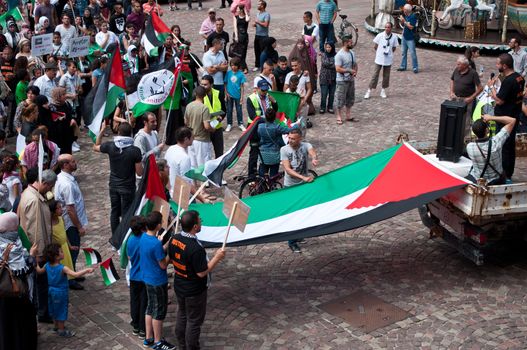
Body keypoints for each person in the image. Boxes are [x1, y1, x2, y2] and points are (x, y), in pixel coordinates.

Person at [168, 210, 225, 350]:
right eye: (200, 221)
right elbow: (201, 273)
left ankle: (182, 345)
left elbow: (171, 259)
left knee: (182, 314)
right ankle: (192, 347)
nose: (201, 223)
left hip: (180, 286)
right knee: (194, 321)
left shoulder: (174, 238)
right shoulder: (195, 248)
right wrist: (217, 258)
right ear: (194, 227)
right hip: (194, 291)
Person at [18, 168, 57, 323]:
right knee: (41, 283)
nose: (50, 189)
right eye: (50, 186)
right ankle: (42, 312)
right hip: (38, 250)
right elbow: (36, 230)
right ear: (45, 183)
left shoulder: (30, 194)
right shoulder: (34, 200)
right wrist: (40, 253)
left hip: (35, 249)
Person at [93, 122, 143, 237]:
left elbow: (95, 146)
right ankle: (124, 236)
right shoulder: (134, 150)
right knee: (127, 213)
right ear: (130, 134)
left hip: (114, 185)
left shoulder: (110, 146)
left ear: (119, 132)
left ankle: (115, 236)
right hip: (128, 187)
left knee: (115, 211)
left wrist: (101, 131)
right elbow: (139, 172)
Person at [36, 243, 95, 338]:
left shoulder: (47, 265)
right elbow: (75, 275)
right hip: (61, 292)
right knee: (61, 310)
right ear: (56, 256)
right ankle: (61, 330)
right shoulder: (62, 268)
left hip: (51, 291)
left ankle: (56, 326)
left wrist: (35, 261)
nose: (63, 253)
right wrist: (87, 270)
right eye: (61, 251)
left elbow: (39, 271)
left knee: (54, 309)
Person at [0, 212, 38, 350]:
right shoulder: (13, 247)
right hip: (14, 295)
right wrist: (32, 257)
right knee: (17, 330)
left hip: (3, 297)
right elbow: (21, 271)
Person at [139, 211, 175, 350]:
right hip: (158, 281)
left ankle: (149, 338)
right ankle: (158, 342)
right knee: (158, 311)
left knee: (150, 308)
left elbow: (155, 251)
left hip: (147, 278)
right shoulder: (155, 244)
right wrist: (169, 255)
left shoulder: (143, 237)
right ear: (159, 225)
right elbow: (163, 264)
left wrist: (164, 245)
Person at [487, 53, 525, 182]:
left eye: (498, 64)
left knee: (502, 146)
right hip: (514, 115)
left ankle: (504, 173)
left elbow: (499, 100)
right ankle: (509, 171)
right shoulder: (520, 77)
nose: (497, 66)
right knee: (510, 145)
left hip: (505, 118)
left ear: (504, 65)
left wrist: (491, 86)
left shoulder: (508, 81)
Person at [54, 154, 88, 290]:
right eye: (73, 161)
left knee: (73, 249)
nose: (75, 163)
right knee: (72, 250)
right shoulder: (66, 184)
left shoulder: (64, 178)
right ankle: (70, 278)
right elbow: (70, 208)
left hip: (71, 221)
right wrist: (79, 226)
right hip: (71, 223)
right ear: (65, 165)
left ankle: (73, 272)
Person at [280, 129, 318, 252]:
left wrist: (314, 158)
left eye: (293, 138)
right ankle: (292, 242)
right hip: (290, 186)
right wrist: (303, 177)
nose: (290, 140)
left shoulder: (305, 145)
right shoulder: (284, 150)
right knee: (293, 215)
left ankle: (299, 235)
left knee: (303, 212)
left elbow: (311, 151)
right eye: (289, 138)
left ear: (300, 139)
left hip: (303, 186)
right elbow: (288, 169)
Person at [164, 127, 210, 202]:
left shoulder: (170, 149)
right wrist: (202, 199)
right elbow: (187, 183)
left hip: (172, 192)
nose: (194, 139)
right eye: (192, 137)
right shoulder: (184, 158)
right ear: (186, 139)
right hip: (183, 196)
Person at [467, 116, 516, 184]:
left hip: (477, 179)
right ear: (487, 130)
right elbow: (512, 120)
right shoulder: (496, 142)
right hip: (495, 180)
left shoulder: (469, 147)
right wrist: (491, 118)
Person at [246, 79, 277, 176]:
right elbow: (253, 116)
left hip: (265, 129)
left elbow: (274, 111)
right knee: (254, 153)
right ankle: (251, 175)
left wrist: (274, 102)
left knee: (266, 151)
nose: (265, 92)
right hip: (254, 130)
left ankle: (262, 173)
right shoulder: (251, 99)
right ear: (257, 89)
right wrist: (268, 120)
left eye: (266, 90)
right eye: (263, 90)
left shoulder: (268, 98)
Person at [258, 108, 296, 177]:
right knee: (273, 177)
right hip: (274, 155)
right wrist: (297, 124)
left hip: (263, 155)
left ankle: (262, 187)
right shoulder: (276, 127)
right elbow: (289, 130)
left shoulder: (260, 127)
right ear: (275, 117)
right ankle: (272, 186)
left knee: (262, 177)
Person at [365, 22, 399, 100]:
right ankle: (369, 90)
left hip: (388, 58)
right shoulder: (380, 35)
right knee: (375, 74)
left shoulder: (394, 37)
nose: (387, 29)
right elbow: (375, 46)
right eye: (386, 27)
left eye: (388, 27)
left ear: (391, 28)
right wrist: (380, 52)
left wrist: (389, 52)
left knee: (386, 75)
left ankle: (383, 90)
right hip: (379, 58)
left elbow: (394, 48)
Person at [450, 55, 483, 134]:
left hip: (466, 100)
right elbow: (452, 80)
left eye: (459, 64)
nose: (457, 65)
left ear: (465, 65)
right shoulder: (456, 70)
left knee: (466, 121)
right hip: (455, 98)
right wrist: (451, 92)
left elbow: (480, 88)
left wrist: (471, 98)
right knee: (453, 118)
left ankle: (465, 139)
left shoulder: (473, 73)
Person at [48, 200, 77, 289]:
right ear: (53, 211)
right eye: (59, 208)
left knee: (69, 264)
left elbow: (64, 233)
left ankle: (71, 280)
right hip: (58, 250)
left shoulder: (61, 219)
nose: (62, 209)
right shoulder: (49, 224)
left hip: (65, 247)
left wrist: (69, 245)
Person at [184, 86, 215, 169]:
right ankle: (203, 182)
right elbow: (207, 126)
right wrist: (213, 129)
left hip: (191, 139)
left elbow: (186, 122)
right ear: (205, 95)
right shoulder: (204, 108)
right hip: (202, 140)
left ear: (195, 94)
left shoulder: (189, 106)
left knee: (193, 165)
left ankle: (194, 182)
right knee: (203, 166)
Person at [127, 215, 147, 339]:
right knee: (144, 303)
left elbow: (129, 257)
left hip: (134, 276)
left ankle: (135, 325)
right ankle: (143, 328)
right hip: (144, 277)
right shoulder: (145, 239)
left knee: (134, 302)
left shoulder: (130, 240)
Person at [335, 35, 358, 125]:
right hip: (341, 80)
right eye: (350, 42)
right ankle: (339, 116)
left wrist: (355, 72)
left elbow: (355, 64)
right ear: (345, 43)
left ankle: (348, 115)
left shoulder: (352, 53)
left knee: (350, 98)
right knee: (340, 98)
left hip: (350, 79)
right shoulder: (339, 55)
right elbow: (337, 69)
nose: (351, 43)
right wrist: (348, 70)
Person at [200, 75, 225, 159]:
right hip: (205, 128)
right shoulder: (199, 96)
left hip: (217, 126)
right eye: (202, 84)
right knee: (205, 154)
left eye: (205, 84)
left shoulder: (218, 93)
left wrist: (221, 117)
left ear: (211, 84)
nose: (203, 86)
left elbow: (224, 109)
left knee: (219, 152)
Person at [203, 38, 229, 104]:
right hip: (211, 83)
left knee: (220, 101)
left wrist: (216, 66)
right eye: (221, 44)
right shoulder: (207, 55)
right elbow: (210, 71)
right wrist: (220, 67)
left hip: (220, 82)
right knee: (212, 102)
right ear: (215, 44)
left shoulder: (221, 53)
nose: (223, 46)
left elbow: (226, 67)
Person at [224, 57, 247, 132]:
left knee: (239, 110)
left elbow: (242, 86)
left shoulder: (241, 74)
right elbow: (225, 83)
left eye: (235, 65)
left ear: (238, 66)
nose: (233, 67)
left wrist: (241, 97)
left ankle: (240, 123)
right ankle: (229, 124)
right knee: (229, 110)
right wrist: (226, 93)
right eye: (232, 65)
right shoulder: (228, 73)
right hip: (229, 95)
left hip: (238, 95)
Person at [397, 4, 419, 74]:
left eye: (404, 9)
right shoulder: (406, 16)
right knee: (403, 53)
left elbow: (411, 27)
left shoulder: (413, 17)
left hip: (410, 38)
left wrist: (404, 21)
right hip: (404, 36)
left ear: (406, 10)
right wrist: (402, 21)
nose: (403, 11)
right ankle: (403, 66)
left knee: (412, 53)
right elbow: (404, 25)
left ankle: (415, 67)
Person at [319, 42, 336, 114]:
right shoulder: (323, 55)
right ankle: (322, 107)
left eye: (329, 47)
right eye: (327, 47)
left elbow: (336, 65)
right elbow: (324, 63)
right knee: (324, 93)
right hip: (324, 77)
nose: (328, 49)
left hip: (333, 77)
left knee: (332, 94)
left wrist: (331, 65)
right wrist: (332, 64)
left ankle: (330, 107)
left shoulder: (336, 55)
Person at [253, 0, 270, 72]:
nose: (257, 5)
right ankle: (257, 65)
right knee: (256, 51)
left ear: (262, 6)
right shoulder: (258, 14)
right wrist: (255, 25)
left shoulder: (267, 14)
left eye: (259, 4)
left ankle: (263, 66)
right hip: (257, 35)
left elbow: (266, 25)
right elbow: (258, 23)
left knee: (263, 52)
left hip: (264, 36)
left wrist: (258, 22)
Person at [233, 4, 250, 73]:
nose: (236, 10)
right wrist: (236, 36)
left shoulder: (246, 16)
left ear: (241, 9)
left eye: (238, 9)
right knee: (238, 53)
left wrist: (245, 12)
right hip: (238, 35)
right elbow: (235, 27)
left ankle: (242, 67)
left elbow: (247, 20)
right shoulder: (235, 16)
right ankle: (243, 67)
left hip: (244, 36)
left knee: (243, 52)